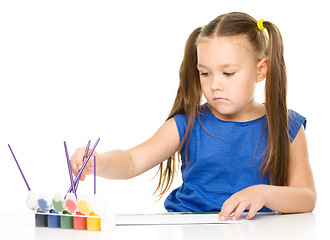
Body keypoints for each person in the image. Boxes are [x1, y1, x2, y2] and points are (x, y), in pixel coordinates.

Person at [70, 12, 316, 220]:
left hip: (257, 231)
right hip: (188, 228)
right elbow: (133, 160)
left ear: (261, 69)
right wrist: (98, 163)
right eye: (205, 73)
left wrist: (263, 194)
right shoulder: (188, 123)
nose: (215, 85)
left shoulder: (287, 125)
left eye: (228, 73)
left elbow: (306, 197)